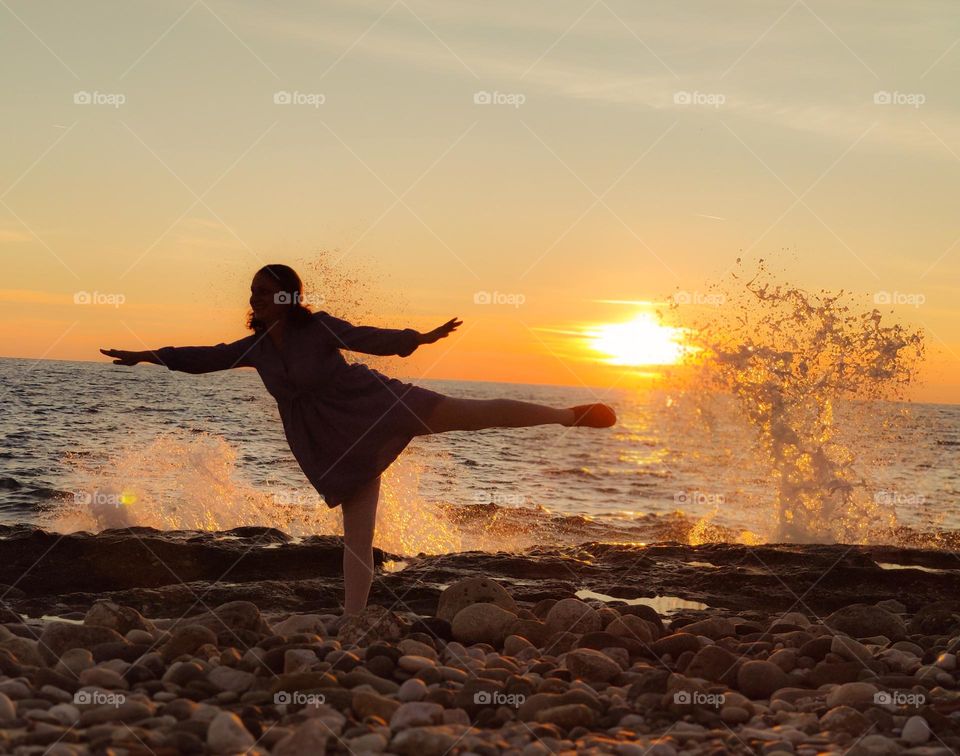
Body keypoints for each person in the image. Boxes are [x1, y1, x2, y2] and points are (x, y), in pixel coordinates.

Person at [100, 264, 616, 616]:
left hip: (376, 405)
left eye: (262, 289)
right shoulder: (255, 346)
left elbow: (369, 337)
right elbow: (204, 356)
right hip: (332, 441)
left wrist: (420, 338)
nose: (252, 296)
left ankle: (564, 416)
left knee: (471, 415)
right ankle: (353, 620)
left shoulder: (318, 328)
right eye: (252, 290)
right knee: (357, 530)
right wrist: (149, 355)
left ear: (286, 296)